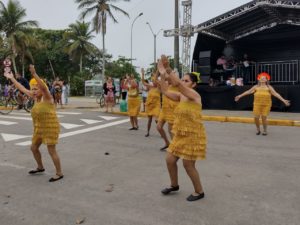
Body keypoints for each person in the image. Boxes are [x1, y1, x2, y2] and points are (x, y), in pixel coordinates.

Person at [157, 55, 207, 202]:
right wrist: (161, 73)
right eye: (183, 79)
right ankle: (174, 185)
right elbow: (165, 90)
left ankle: (199, 191)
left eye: (187, 81)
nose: (184, 82)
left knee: (188, 164)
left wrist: (167, 69)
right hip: (180, 135)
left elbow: (177, 83)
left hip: (193, 135)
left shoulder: (194, 96)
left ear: (194, 84)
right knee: (170, 159)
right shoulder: (180, 96)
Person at [4, 65, 63, 182]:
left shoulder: (47, 97)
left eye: (36, 89)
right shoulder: (34, 97)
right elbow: (21, 88)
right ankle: (40, 167)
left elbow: (44, 87)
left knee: (51, 149)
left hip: (50, 127)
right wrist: (12, 78)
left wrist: (35, 74)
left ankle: (59, 173)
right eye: (33, 88)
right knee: (33, 147)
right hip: (39, 128)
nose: (34, 91)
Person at [141, 69, 161, 137]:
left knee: (156, 119)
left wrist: (158, 70)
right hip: (150, 105)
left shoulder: (159, 87)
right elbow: (143, 82)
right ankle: (148, 132)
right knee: (149, 119)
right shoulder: (150, 87)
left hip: (156, 105)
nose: (153, 82)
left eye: (154, 81)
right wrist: (143, 74)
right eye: (152, 81)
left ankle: (161, 132)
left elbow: (157, 79)